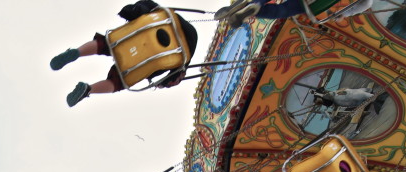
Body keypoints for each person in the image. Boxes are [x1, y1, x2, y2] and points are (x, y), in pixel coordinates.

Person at [49, 1, 199, 107]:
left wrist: (133, 11)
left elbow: (143, 6)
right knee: (117, 83)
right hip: (151, 57)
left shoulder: (166, 14)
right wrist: (161, 84)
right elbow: (175, 77)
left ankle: (77, 52)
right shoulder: (186, 57)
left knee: (107, 44)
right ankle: (89, 90)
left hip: (148, 30)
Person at [217, 0, 372, 28]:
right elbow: (364, 4)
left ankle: (255, 4)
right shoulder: (369, 2)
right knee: (281, 11)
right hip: (316, 3)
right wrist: (341, 14)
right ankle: (253, 12)